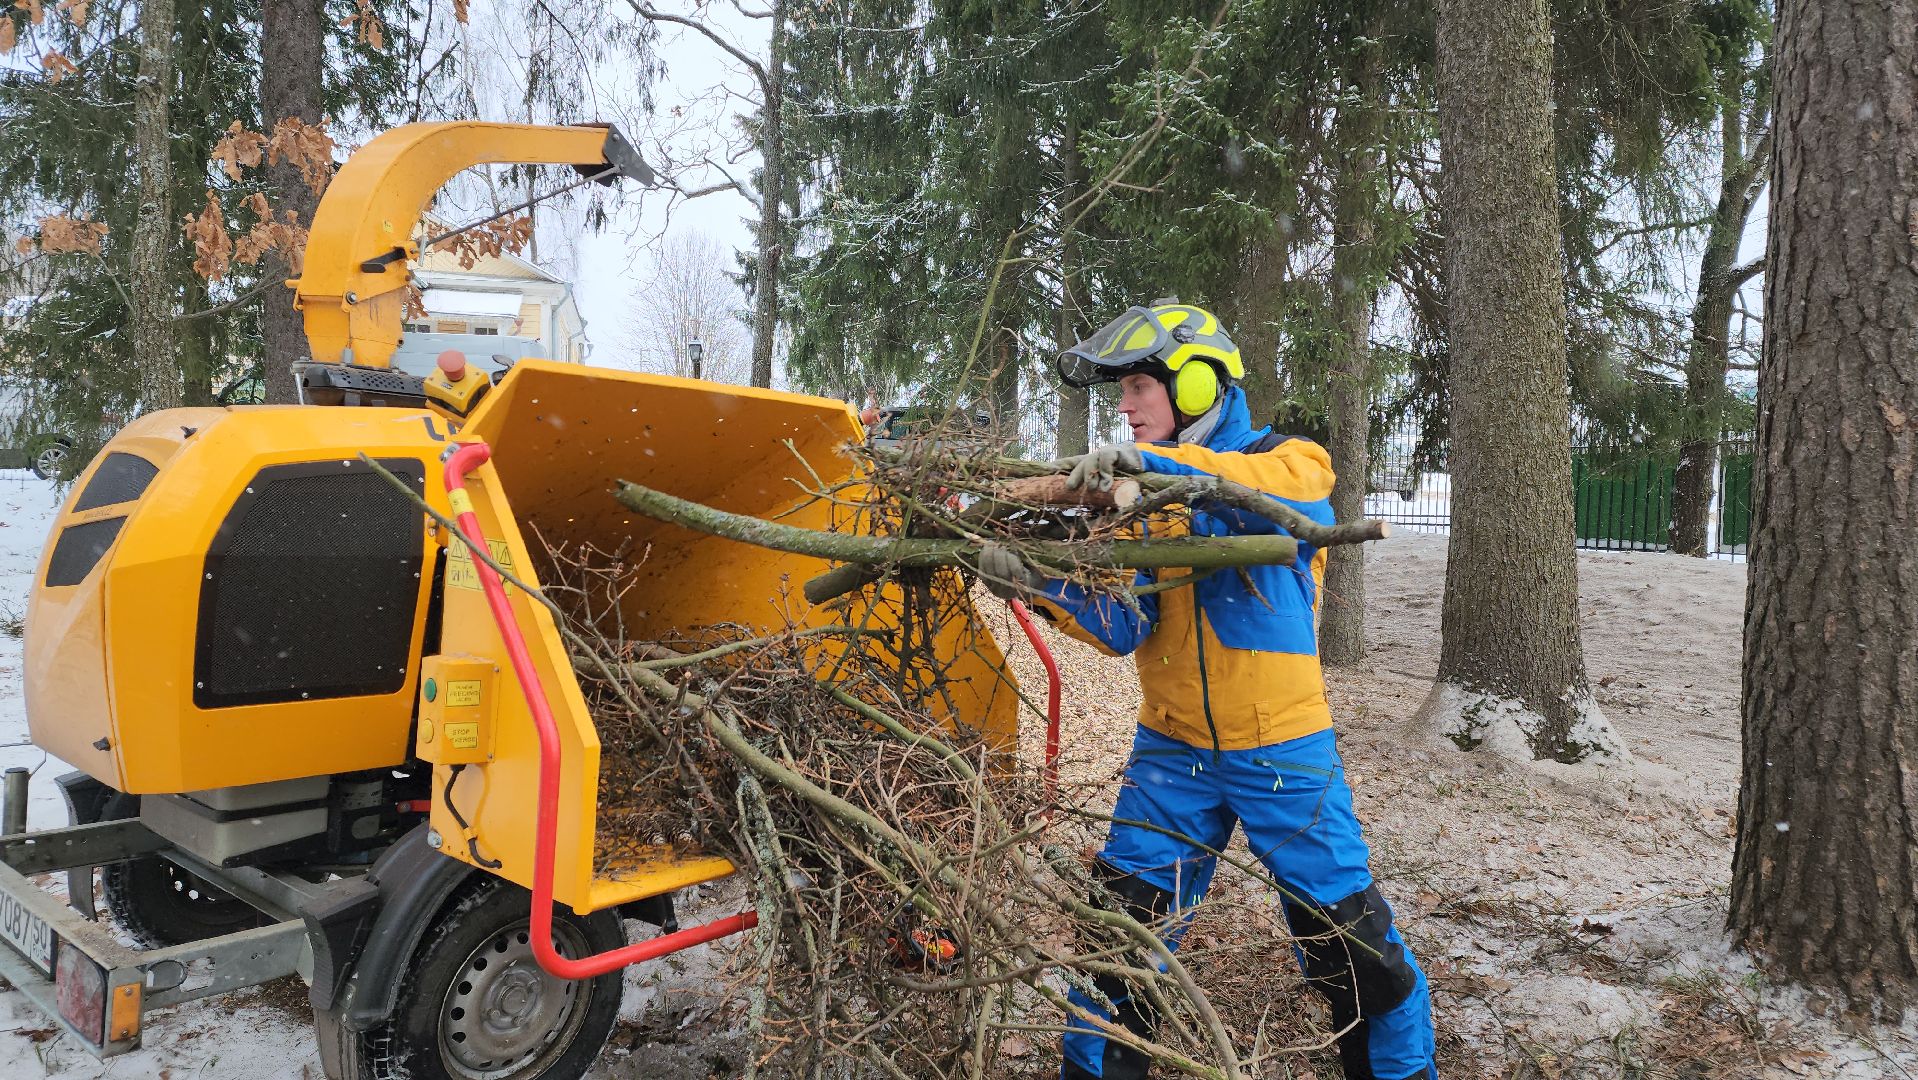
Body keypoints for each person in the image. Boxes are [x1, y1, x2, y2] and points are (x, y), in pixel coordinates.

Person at [978, 300, 1436, 1080]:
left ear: (1195, 384)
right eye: (1119, 392)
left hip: (1284, 750)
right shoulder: (1145, 501)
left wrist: (1158, 471)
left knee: (1355, 953)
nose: (1123, 408)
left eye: (1137, 388)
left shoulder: (1286, 461)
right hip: (1170, 753)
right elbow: (1126, 626)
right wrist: (1041, 583)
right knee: (1118, 950)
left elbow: (1287, 494)